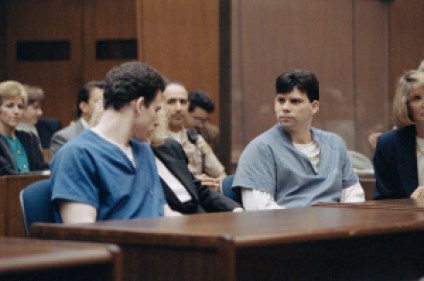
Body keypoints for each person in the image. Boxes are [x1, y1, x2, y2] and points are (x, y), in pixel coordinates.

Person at [50, 61, 167, 223]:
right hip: (119, 247)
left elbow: (163, 211)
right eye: (157, 110)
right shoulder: (77, 154)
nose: (158, 121)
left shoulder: (144, 150)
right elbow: (82, 233)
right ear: (140, 105)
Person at [233, 69, 364, 210]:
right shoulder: (260, 149)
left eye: (295, 101)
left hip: (337, 228)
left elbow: (354, 197)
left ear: (314, 107)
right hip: (288, 229)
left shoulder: (335, 143)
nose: (285, 108)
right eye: (281, 100)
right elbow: (260, 211)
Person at [150, 109, 242, 214]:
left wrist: (235, 209)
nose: (156, 121)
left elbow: (197, 189)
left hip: (202, 217)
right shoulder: (136, 160)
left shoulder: (170, 148)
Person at [162, 82, 226, 191]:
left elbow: (221, 175)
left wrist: (213, 185)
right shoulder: (153, 140)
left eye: (183, 102)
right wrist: (193, 182)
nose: (178, 108)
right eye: (171, 102)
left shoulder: (196, 139)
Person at [373, 70, 424, 200]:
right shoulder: (389, 145)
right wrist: (410, 204)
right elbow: (382, 202)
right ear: (406, 105)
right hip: (409, 219)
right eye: (417, 98)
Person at [0, 81, 48, 175]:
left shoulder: (30, 138)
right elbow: (6, 173)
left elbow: (41, 168)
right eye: (10, 106)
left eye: (20, 106)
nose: (16, 111)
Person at [50, 80, 104, 155]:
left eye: (107, 102)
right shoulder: (63, 138)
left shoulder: (113, 135)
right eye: (99, 102)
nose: (104, 106)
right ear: (84, 107)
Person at [17, 84, 62, 149]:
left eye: (41, 108)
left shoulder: (50, 127)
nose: (40, 113)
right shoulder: (7, 131)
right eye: (35, 107)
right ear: (21, 106)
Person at [184, 90, 220, 155]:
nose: (201, 125)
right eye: (197, 119)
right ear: (185, 111)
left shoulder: (213, 134)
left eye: (205, 120)